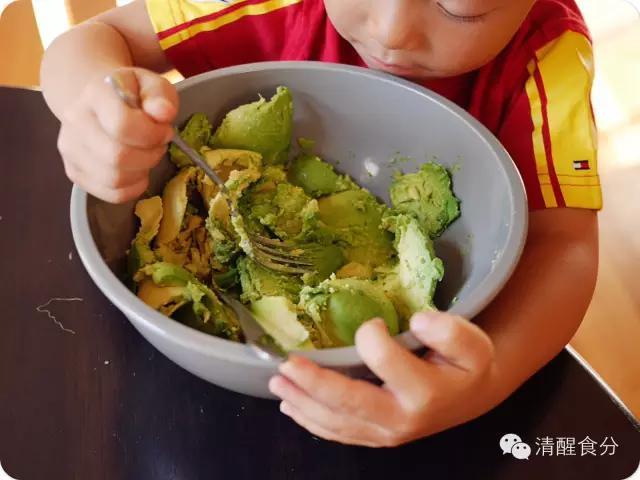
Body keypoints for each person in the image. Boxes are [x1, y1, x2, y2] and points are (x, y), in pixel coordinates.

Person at [40, 0, 601, 447]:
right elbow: (91, 41)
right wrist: (100, 106)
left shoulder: (549, 52)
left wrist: (490, 379)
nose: (392, 29)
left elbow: (566, 245)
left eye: (460, 9)